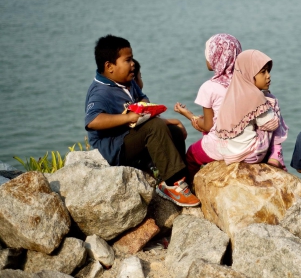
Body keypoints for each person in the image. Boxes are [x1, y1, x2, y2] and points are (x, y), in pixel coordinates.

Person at [85, 35, 199, 207]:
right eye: (128, 60)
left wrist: (166, 121)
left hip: (132, 138)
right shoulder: (100, 91)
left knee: (173, 131)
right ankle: (173, 185)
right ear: (109, 67)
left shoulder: (128, 83)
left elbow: (144, 102)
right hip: (114, 149)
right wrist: (128, 117)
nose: (133, 64)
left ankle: (181, 180)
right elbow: (93, 120)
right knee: (154, 126)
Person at [173, 34, 242, 183]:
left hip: (223, 146)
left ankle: (190, 188)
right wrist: (190, 115)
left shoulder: (209, 87)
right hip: (245, 143)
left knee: (191, 154)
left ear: (216, 57)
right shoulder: (245, 84)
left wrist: (192, 118)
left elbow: (208, 125)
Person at [214, 49, 284, 166]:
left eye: (268, 71)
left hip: (228, 154)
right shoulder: (255, 95)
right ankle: (276, 154)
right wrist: (271, 105)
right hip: (249, 155)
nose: (268, 76)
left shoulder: (232, 92)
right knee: (273, 106)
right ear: (249, 73)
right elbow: (272, 124)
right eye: (263, 72)